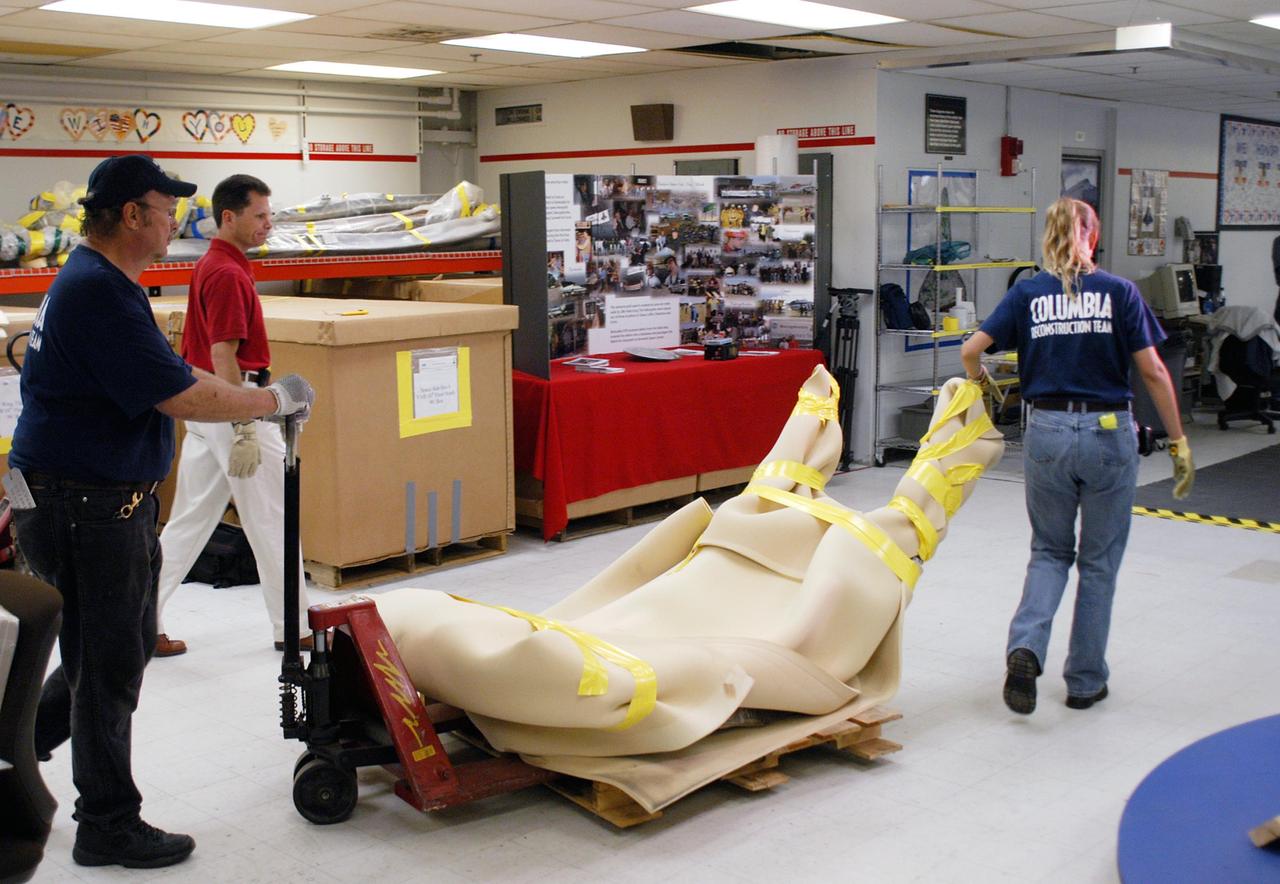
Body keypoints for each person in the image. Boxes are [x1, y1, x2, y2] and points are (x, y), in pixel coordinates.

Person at [9, 154, 314, 870]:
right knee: (111, 663)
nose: (175, 216)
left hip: (82, 498)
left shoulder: (99, 281)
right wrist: (271, 403)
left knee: (103, 649)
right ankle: (107, 822)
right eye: (163, 205)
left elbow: (177, 373)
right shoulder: (100, 292)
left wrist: (247, 402)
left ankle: (15, 746)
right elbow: (179, 396)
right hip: (85, 506)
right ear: (130, 216)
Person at [960, 197, 1194, 716]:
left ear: (1048, 236)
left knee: (1049, 551)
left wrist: (983, 392)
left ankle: (1025, 647)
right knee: (1098, 563)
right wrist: (1177, 441)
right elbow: (1154, 372)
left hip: (1045, 432)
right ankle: (1085, 681)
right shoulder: (1120, 293)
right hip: (1109, 432)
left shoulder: (1027, 294)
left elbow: (971, 350)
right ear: (1092, 235)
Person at [152, 174, 309, 657]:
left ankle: (142, 623)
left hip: (205, 413)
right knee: (275, 519)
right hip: (236, 407)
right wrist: (242, 421)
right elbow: (224, 353)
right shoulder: (226, 273)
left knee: (187, 524)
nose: (268, 224)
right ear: (228, 217)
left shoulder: (213, 264)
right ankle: (294, 626)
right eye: (259, 215)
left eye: (269, 214)